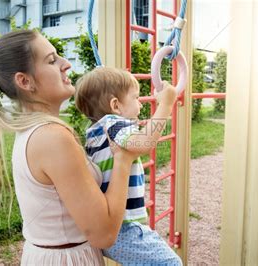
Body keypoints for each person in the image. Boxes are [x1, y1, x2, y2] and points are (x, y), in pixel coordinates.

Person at [0, 30, 139, 265]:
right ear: (24, 81)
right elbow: (104, 234)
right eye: (52, 60)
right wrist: (124, 158)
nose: (66, 64)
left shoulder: (33, 130)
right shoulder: (52, 137)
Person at [75, 67, 182, 265]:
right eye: (136, 98)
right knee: (172, 263)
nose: (140, 104)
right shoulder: (113, 123)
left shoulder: (95, 130)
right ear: (115, 105)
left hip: (113, 227)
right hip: (124, 228)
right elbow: (143, 143)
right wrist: (166, 104)